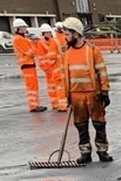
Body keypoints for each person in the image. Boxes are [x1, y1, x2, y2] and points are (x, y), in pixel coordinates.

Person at [59, 17, 112, 164]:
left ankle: (102, 150)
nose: (65, 37)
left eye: (68, 34)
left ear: (75, 33)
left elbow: (102, 71)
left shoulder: (92, 50)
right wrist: (66, 96)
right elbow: (64, 75)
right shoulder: (65, 52)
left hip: (93, 94)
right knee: (81, 125)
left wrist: (105, 90)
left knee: (99, 123)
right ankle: (85, 152)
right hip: (75, 95)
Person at [11, 19, 46, 112]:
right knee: (31, 86)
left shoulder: (23, 38)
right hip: (26, 65)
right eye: (24, 27)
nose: (25, 28)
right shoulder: (18, 39)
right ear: (18, 28)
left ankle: (36, 104)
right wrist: (33, 47)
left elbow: (33, 50)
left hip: (30, 64)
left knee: (34, 85)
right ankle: (33, 106)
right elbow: (30, 53)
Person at [36, 23, 67, 112]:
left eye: (49, 32)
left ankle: (59, 104)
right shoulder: (43, 43)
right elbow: (43, 58)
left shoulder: (53, 41)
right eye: (47, 32)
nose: (49, 34)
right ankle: (56, 104)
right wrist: (47, 69)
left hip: (54, 69)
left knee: (57, 87)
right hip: (50, 69)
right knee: (53, 88)